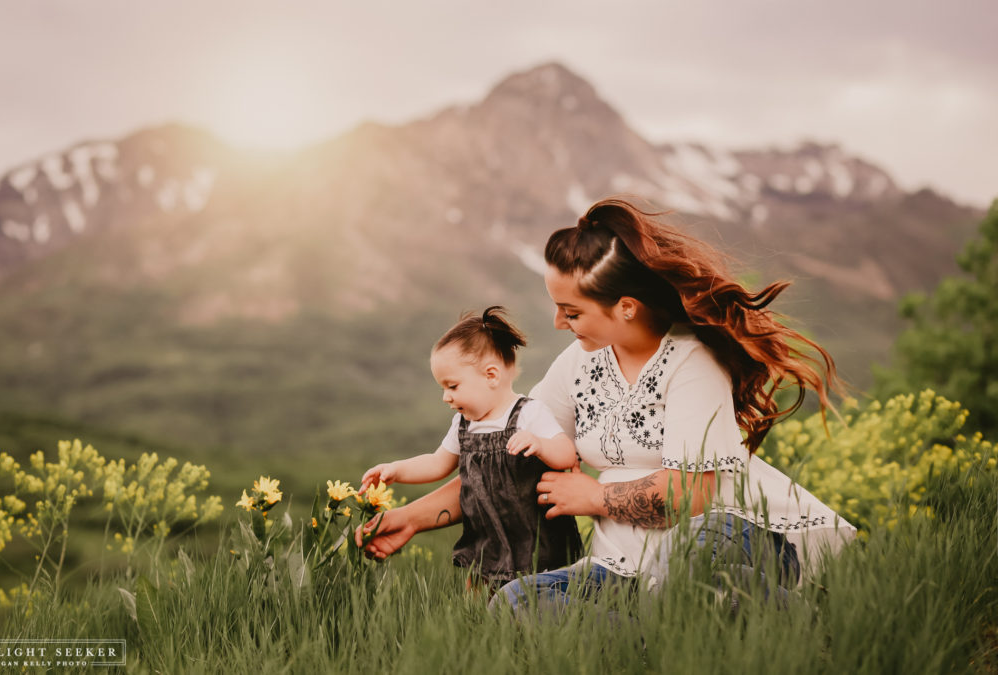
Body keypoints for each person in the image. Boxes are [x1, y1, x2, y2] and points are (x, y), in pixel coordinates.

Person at [358, 196, 856, 609]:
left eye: (571, 311)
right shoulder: (579, 363)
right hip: (625, 564)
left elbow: (691, 495)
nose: (558, 324)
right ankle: (655, 638)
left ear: (626, 307)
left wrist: (594, 498)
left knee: (691, 562)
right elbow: (503, 466)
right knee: (516, 603)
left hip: (732, 534)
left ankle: (794, 621)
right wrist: (411, 517)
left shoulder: (691, 363)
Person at [360, 306, 582, 587]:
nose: (445, 397)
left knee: (533, 606)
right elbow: (437, 463)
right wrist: (396, 470)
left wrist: (538, 444)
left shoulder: (528, 414)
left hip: (536, 542)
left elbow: (565, 455)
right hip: (486, 542)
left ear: (491, 376)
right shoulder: (464, 424)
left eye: (452, 386)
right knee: (479, 608)